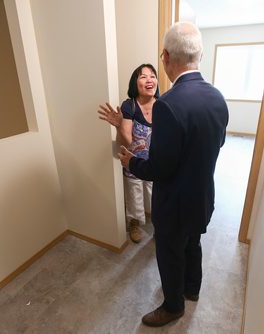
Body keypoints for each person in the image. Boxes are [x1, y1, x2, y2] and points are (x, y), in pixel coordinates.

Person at [118, 22, 229, 327]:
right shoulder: (217, 98)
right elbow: (217, 144)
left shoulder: (168, 105)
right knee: (193, 243)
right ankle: (192, 289)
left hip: (175, 204)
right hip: (203, 196)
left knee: (169, 253)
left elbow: (159, 168)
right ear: (200, 54)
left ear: (165, 57)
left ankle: (172, 305)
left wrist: (131, 163)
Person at [98, 64, 160, 243]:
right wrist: (118, 125)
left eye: (152, 76)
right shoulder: (129, 105)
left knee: (156, 196)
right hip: (133, 161)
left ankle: (159, 225)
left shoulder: (164, 104)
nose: (149, 79)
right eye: (143, 76)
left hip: (155, 162)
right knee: (134, 195)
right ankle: (134, 223)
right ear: (136, 82)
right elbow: (126, 142)